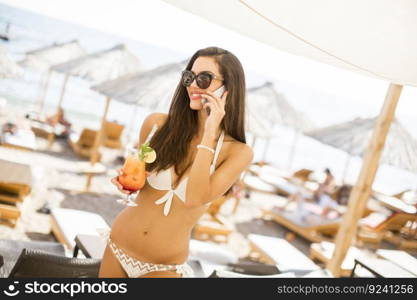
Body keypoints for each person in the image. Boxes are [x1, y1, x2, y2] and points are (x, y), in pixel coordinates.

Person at [99, 47, 253, 278]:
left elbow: (195, 198)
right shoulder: (157, 125)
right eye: (189, 77)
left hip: (163, 267)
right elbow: (140, 179)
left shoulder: (239, 153)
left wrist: (210, 132)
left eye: (204, 79)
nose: (192, 85)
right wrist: (128, 182)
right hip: (117, 246)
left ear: (228, 88)